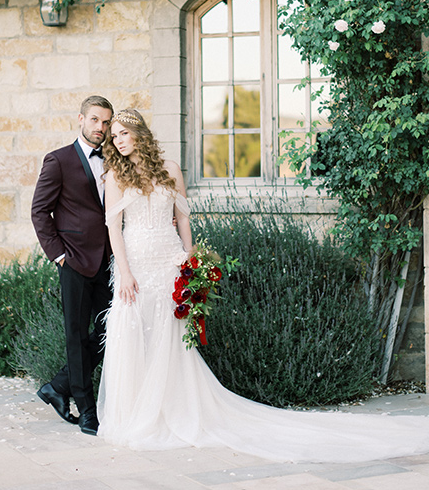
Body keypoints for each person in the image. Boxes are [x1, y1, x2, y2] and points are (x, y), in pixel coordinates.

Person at [97, 108, 429, 462]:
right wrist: (126, 272)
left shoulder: (170, 170)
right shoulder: (114, 175)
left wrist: (190, 260)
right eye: (113, 136)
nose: (117, 140)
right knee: (134, 335)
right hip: (136, 265)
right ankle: (136, 414)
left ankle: (170, 410)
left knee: (169, 338)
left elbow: (182, 218)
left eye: (123, 133)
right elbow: (113, 229)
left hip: (168, 264)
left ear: (139, 134)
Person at [31, 95, 113, 435]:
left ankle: (58, 386)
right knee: (76, 336)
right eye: (95, 120)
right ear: (81, 119)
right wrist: (59, 255)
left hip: (110, 260)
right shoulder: (59, 160)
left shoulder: (115, 158)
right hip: (75, 261)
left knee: (112, 330)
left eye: (107, 122)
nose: (101, 128)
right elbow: (40, 211)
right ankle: (87, 409)